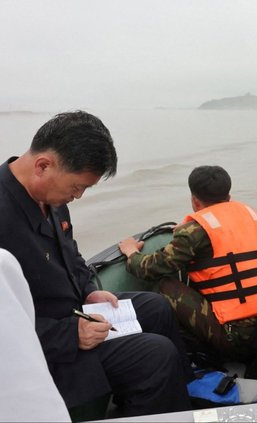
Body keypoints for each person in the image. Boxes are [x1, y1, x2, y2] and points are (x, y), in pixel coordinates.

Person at [0, 111, 193, 417]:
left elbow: (72, 255)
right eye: (77, 187)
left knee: (156, 307)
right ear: (43, 165)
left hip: (77, 312)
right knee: (155, 354)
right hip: (46, 347)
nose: (78, 197)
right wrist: (68, 335)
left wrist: (90, 291)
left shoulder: (53, 198)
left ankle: (182, 397)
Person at [118, 165, 257, 362]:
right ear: (228, 195)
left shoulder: (194, 232)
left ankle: (184, 351)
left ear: (194, 200)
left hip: (235, 340)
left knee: (164, 285)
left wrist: (131, 251)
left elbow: (148, 268)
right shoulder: (252, 216)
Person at [0, 248, 71, 422]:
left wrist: (89, 290)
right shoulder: (3, 263)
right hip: (60, 349)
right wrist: (73, 332)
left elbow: (73, 259)